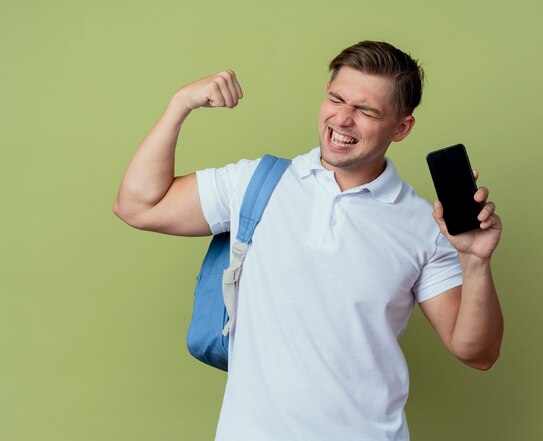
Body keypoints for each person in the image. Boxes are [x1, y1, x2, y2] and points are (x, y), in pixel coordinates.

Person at [113, 40, 504, 441]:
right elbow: (138, 205)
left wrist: (476, 262)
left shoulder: (422, 225)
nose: (344, 119)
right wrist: (180, 104)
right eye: (337, 98)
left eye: (367, 111)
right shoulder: (256, 183)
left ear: (401, 128)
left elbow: (477, 352)